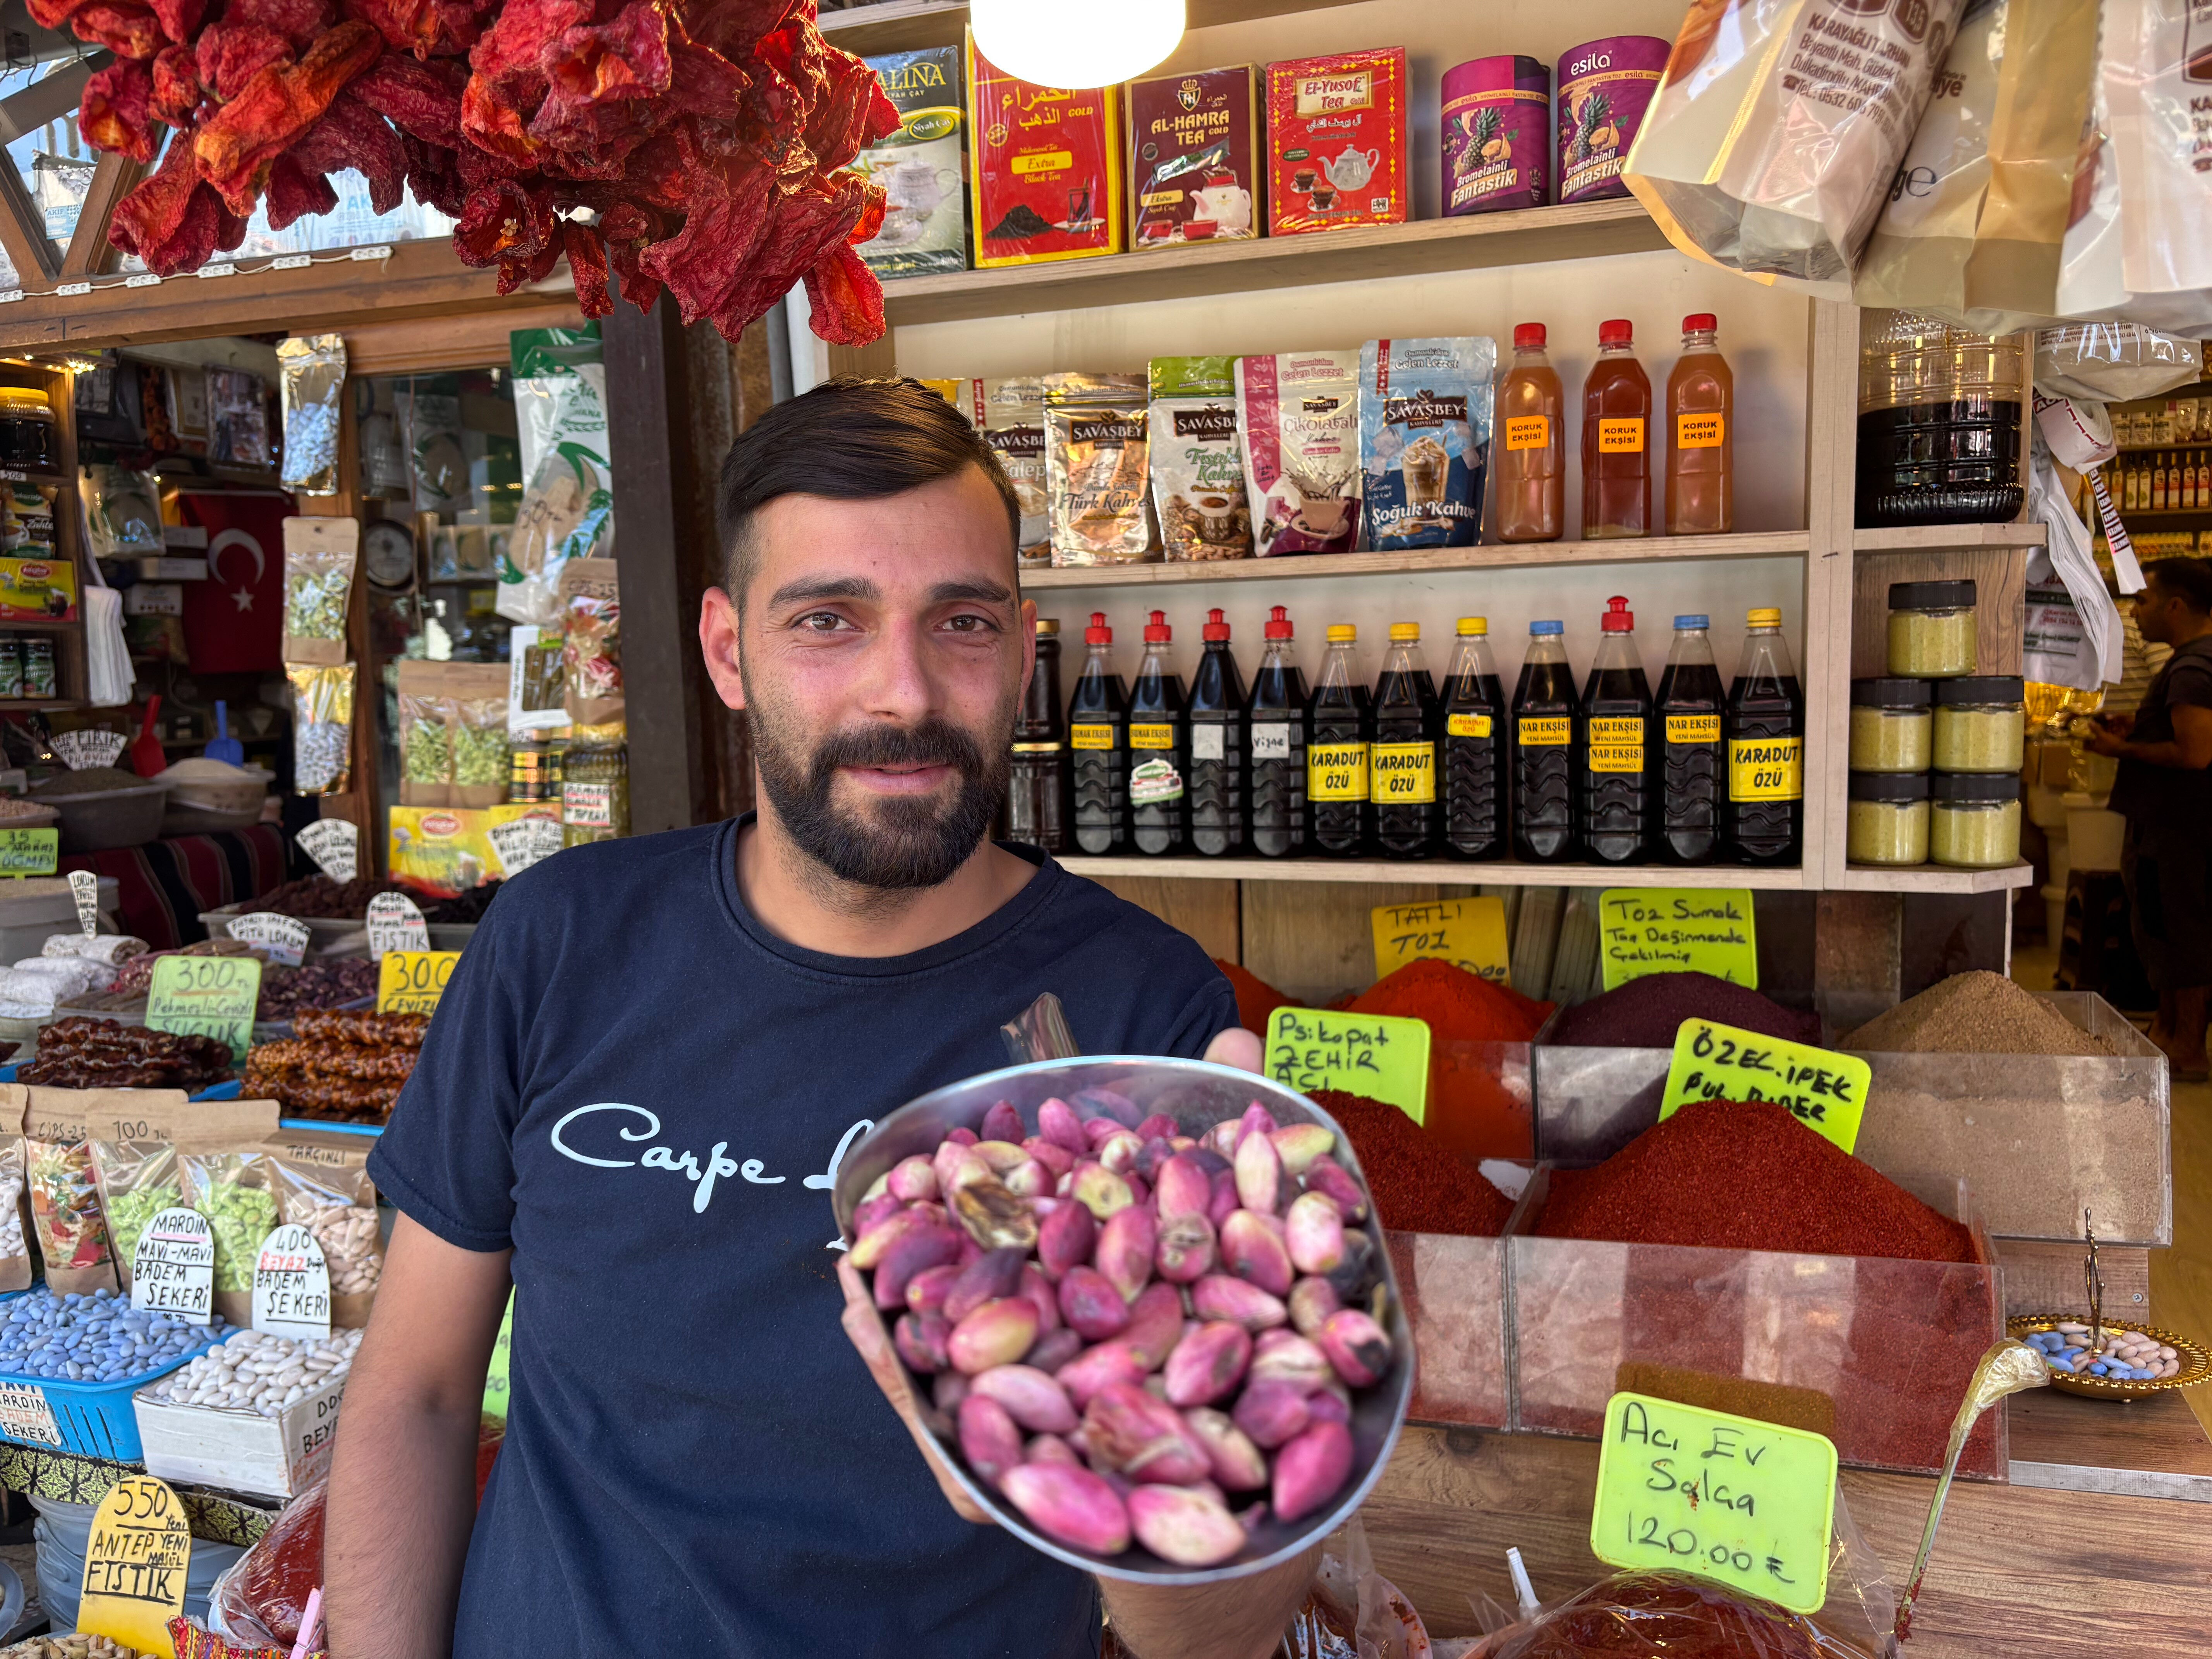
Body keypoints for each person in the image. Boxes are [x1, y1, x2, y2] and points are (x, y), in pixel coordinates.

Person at [324, 379, 1314, 1659]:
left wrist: (1117, 1483)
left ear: (1020, 652)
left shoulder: (1144, 1017)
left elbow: (1218, 1635)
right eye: (829, 621)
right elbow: (415, 1391)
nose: (901, 691)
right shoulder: (559, 940)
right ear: (729, 653)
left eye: (958, 622)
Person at [2085, 557, 2212, 1078]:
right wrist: (2137, 729)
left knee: (2182, 931)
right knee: (2162, 927)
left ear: (2176, 606)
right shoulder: (2192, 663)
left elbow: (2195, 753)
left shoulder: (2192, 667)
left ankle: (2186, 1046)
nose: (2135, 613)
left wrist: (2120, 749)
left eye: (2144, 601)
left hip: (2178, 829)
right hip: (2172, 827)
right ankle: (2167, 1032)